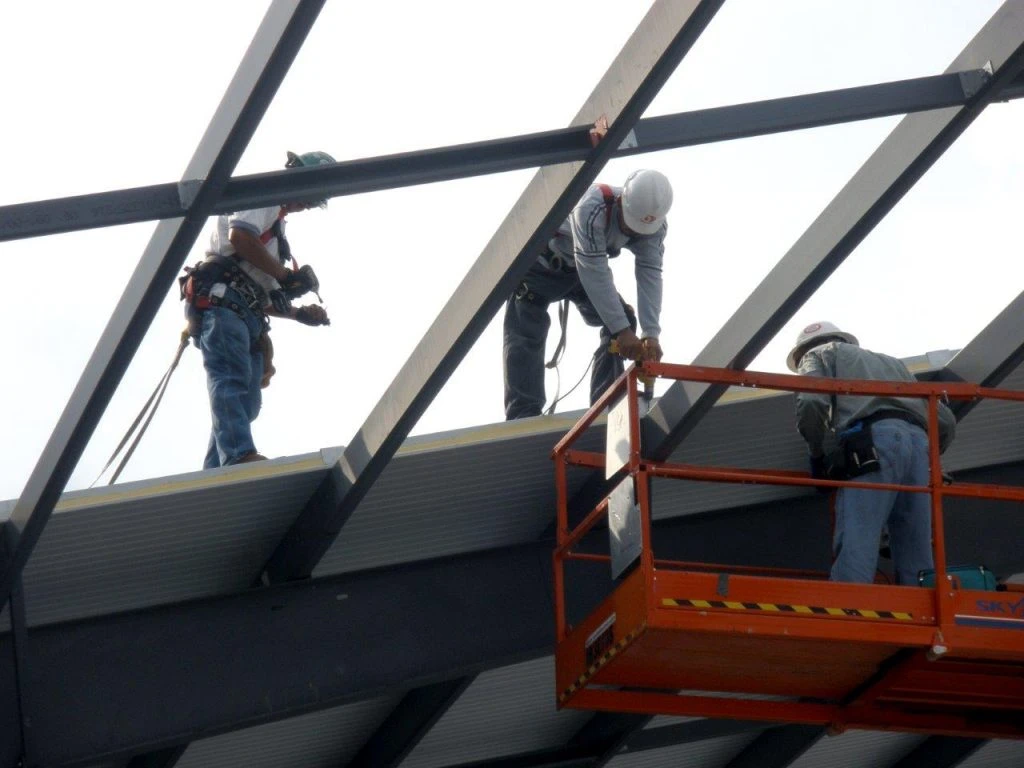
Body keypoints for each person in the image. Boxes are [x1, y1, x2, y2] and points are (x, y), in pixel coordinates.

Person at [182, 150, 334, 468]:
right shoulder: (266, 195)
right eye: (310, 193)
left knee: (247, 403)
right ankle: (237, 456)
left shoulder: (277, 233)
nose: (307, 204)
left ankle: (217, 471)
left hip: (245, 311)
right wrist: (286, 276)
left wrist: (297, 313)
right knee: (231, 380)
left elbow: (263, 296)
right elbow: (240, 237)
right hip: (224, 305)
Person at [788, 321, 956, 585]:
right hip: (919, 445)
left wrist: (817, 455)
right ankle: (920, 613)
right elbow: (945, 421)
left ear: (801, 354)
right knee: (916, 545)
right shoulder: (894, 365)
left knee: (859, 536)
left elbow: (810, 401)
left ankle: (849, 612)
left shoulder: (818, 355)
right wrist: (933, 460)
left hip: (873, 443)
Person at [503, 169, 673, 419]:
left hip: (577, 273)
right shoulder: (592, 206)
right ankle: (523, 415)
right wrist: (623, 332)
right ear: (621, 203)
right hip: (540, 270)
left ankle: (606, 405)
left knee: (622, 322)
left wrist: (651, 334)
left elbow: (650, 274)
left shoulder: (653, 225)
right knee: (525, 333)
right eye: (630, 225)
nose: (634, 233)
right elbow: (593, 270)